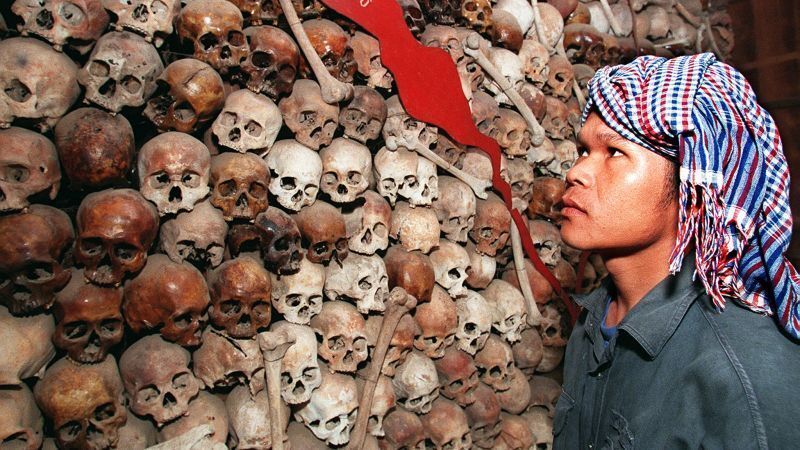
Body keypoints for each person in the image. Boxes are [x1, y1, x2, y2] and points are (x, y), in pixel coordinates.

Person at [554, 53, 800, 449]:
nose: (575, 172)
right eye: (584, 150)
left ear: (693, 184)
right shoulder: (594, 320)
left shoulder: (745, 379)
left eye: (614, 152)